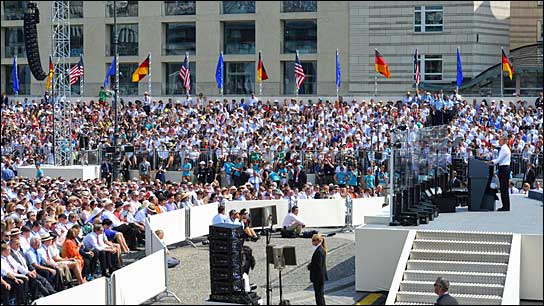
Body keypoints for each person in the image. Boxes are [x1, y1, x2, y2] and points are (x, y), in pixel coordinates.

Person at [490, 136, 511, 211]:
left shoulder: (504, 148)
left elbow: (499, 159)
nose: (499, 141)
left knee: (504, 188)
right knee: (503, 188)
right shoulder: (504, 148)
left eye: (500, 140)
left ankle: (506, 206)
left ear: (504, 141)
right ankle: (505, 205)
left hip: (504, 168)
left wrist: (492, 161)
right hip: (503, 168)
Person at [308, 234, 328, 306]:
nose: (312, 242)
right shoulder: (321, 249)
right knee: (320, 295)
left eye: (313, 240)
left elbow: (318, 265)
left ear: (318, 241)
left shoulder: (319, 251)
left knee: (319, 296)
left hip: (318, 277)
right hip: (320, 276)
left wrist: (310, 266)